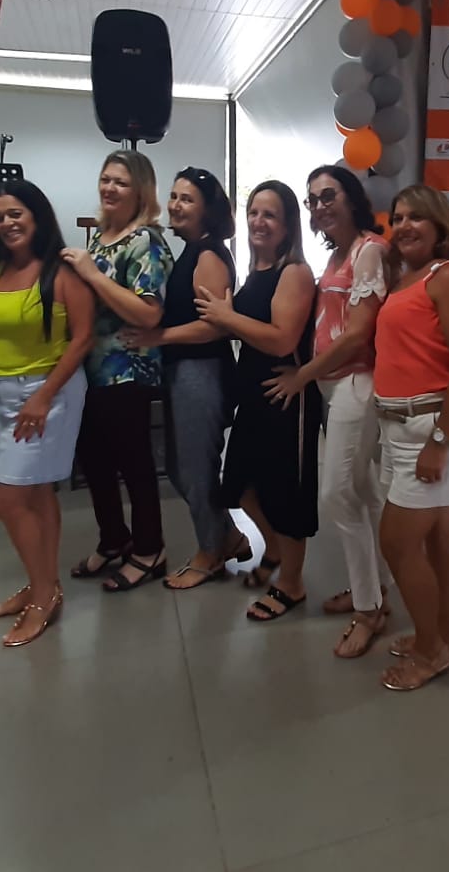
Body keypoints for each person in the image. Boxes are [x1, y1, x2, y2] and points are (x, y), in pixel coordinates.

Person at [266, 166, 391, 658]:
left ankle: (368, 608)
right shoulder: (338, 255)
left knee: (338, 494)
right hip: (333, 387)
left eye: (328, 196)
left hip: (357, 384)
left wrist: (301, 375)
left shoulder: (369, 250)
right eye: (312, 200)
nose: (320, 207)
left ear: (351, 198)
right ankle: (376, 590)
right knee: (364, 492)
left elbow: (359, 334)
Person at [371, 185, 449, 691]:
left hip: (434, 425)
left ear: (441, 226)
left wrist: (440, 441)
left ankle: (430, 651)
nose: (403, 226)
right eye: (397, 217)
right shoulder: (406, 279)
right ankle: (446, 635)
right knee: (438, 533)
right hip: (403, 426)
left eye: (416, 217)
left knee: (397, 543)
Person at [0, 180, 94, 647]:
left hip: (45, 395)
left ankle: (43, 597)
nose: (7, 223)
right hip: (0, 393)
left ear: (37, 215)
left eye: (16, 213)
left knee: (6, 500)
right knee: (36, 494)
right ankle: (45, 583)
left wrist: (43, 396)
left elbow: (82, 338)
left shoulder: (61, 271)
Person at [196, 181, 320, 621]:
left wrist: (227, 317)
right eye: (253, 212)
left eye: (270, 215)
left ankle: (292, 583)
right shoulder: (255, 272)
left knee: (284, 495)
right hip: (253, 396)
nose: (258, 222)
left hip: (285, 398)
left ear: (287, 226)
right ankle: (275, 553)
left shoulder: (295, 272)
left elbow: (282, 339)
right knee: (243, 487)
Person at [122, 168, 250, 589]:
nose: (175, 205)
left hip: (202, 371)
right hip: (184, 370)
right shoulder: (192, 250)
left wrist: (157, 337)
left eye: (187, 199)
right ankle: (228, 536)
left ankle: (210, 554)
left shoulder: (209, 255)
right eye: (174, 196)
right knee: (181, 468)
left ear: (207, 209)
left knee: (194, 470)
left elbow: (215, 326)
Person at [62, 150, 174, 591]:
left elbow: (149, 313)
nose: (110, 188)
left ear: (140, 190)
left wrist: (92, 275)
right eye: (105, 179)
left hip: (127, 369)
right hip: (89, 370)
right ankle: (113, 540)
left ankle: (149, 549)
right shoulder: (100, 237)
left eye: (121, 182)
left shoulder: (145, 240)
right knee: (95, 462)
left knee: (133, 462)